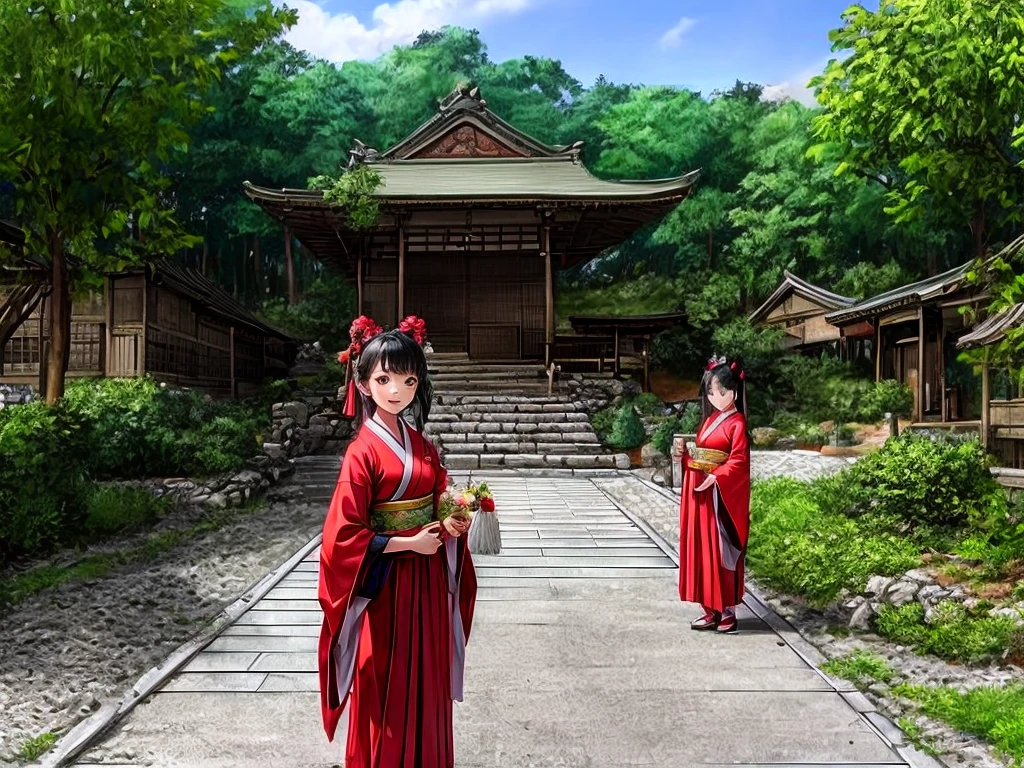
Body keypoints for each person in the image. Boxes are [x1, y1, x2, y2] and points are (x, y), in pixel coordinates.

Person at [317, 325, 477, 768]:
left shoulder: (422, 445)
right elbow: (342, 536)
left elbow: (440, 494)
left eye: (408, 380)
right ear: (364, 382)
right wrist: (405, 542)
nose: (397, 390)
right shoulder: (360, 454)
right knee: (385, 678)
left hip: (425, 581)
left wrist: (453, 519)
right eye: (384, 379)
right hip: (385, 587)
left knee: (426, 674)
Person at [678, 357, 751, 634]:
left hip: (720, 494)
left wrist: (716, 477)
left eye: (721, 391)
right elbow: (699, 455)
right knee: (701, 548)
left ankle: (728, 611)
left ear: (734, 391)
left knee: (720, 549)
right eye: (711, 392)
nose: (716, 397)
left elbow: (739, 462)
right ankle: (709, 609)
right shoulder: (709, 420)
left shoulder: (737, 424)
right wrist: (684, 456)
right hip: (701, 490)